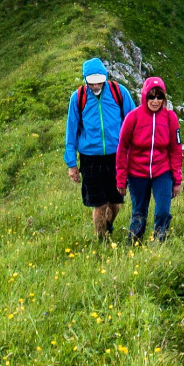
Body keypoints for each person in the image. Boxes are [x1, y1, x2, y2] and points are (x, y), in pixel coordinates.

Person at [64, 57, 135, 240]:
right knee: (100, 204)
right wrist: (72, 164)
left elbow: (133, 122)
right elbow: (71, 132)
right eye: (92, 83)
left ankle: (108, 226)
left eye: (99, 82)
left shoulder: (120, 93)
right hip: (90, 159)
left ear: (105, 77)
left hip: (117, 157)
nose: (96, 86)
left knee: (116, 203)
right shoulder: (78, 98)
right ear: (85, 79)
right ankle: (101, 240)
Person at [115, 76, 184, 243]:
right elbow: (122, 149)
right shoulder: (133, 117)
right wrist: (121, 179)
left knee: (163, 211)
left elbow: (176, 149)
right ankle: (133, 245)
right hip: (137, 172)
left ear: (164, 98)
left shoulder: (170, 118)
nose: (155, 101)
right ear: (144, 96)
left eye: (159, 96)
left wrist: (177, 180)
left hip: (162, 172)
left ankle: (160, 241)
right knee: (139, 212)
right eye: (151, 96)